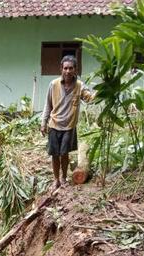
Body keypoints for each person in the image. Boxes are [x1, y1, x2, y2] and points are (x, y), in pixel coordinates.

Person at [40, 55, 94, 190]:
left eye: (71, 68)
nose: (68, 71)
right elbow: (48, 105)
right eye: (65, 68)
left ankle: (63, 178)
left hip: (69, 126)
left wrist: (102, 91)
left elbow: (89, 98)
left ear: (75, 70)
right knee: (54, 154)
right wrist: (43, 123)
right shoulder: (53, 84)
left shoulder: (80, 86)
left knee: (64, 154)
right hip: (54, 124)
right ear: (61, 69)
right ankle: (56, 180)